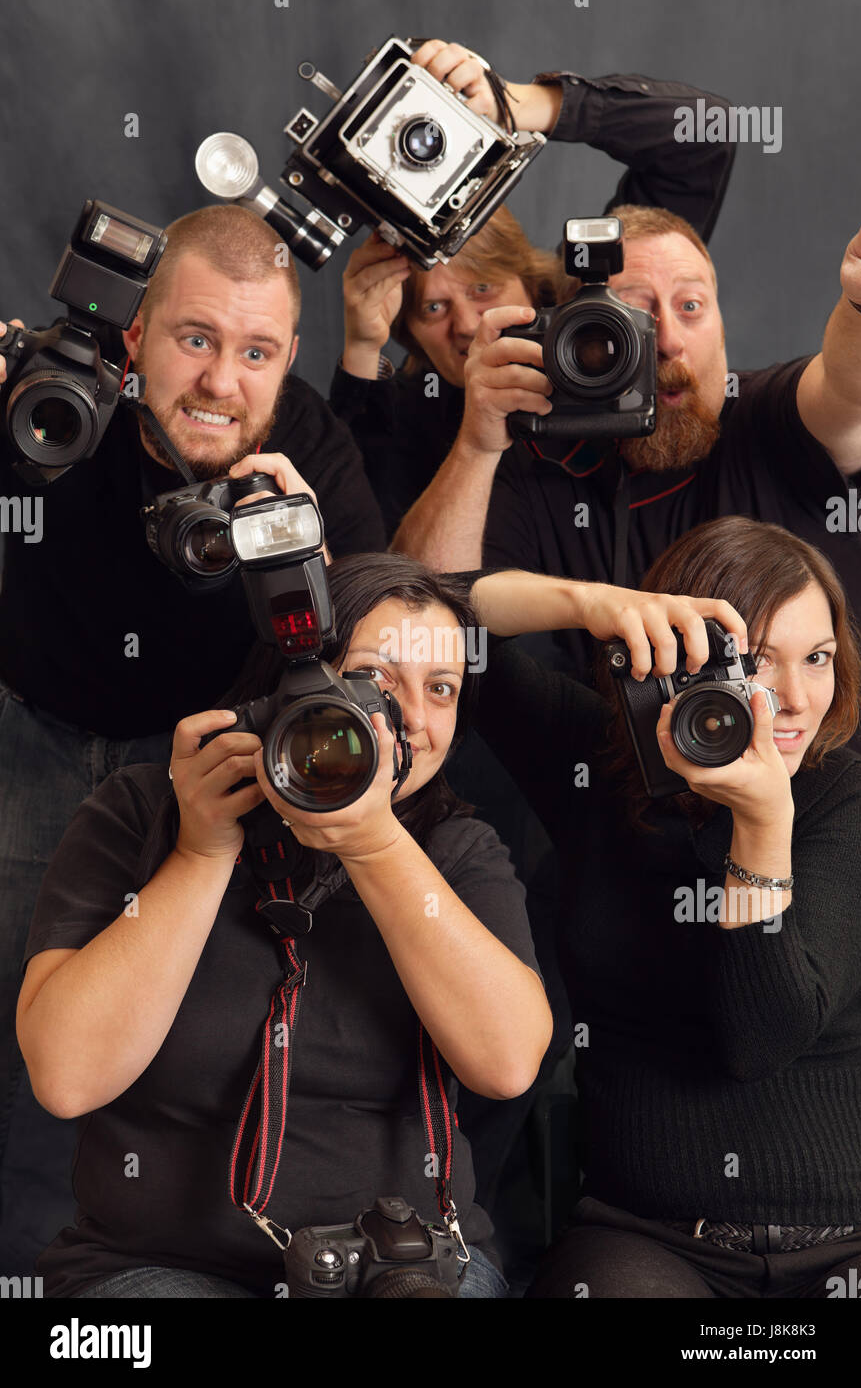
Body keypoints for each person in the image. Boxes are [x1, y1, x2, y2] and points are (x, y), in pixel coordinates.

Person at [0, 203, 385, 1270]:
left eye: (255, 351)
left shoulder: (306, 439)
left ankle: (150, 1267)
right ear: (134, 336)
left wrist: (306, 555)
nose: (222, 381)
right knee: (23, 1032)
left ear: (289, 357)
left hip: (207, 775)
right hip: (39, 745)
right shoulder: (53, 394)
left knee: (175, 1043)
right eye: (195, 339)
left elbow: (384, 631)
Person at [15, 549, 551, 1298]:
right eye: (378, 679)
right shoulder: (143, 812)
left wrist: (376, 845)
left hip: (406, 1263)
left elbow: (506, 1064)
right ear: (294, 684)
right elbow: (67, 1077)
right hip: (161, 1263)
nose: (412, 721)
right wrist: (202, 853)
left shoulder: (454, 851)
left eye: (442, 689)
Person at [462, 515, 861, 1297]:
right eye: (756, 661)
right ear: (682, 660)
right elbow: (439, 615)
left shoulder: (845, 796)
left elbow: (760, 1039)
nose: (793, 698)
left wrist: (761, 825)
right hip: (650, 1243)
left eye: (816, 659)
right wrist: (590, 604)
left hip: (850, 1243)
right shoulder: (594, 762)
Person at [394, 204, 861, 710]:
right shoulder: (536, 461)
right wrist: (477, 444)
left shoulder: (767, 416)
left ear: (722, 321)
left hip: (818, 771)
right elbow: (420, 615)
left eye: (690, 306)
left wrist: (859, 304)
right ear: (574, 346)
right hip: (635, 779)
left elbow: (847, 382)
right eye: (633, 319)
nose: (666, 341)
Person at [329, 39, 735, 539]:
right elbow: (365, 547)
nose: (467, 324)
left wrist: (518, 107)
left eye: (483, 288)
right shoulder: (418, 415)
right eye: (433, 307)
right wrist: (363, 351)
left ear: (531, 280)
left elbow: (703, 137)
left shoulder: (600, 299)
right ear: (408, 332)